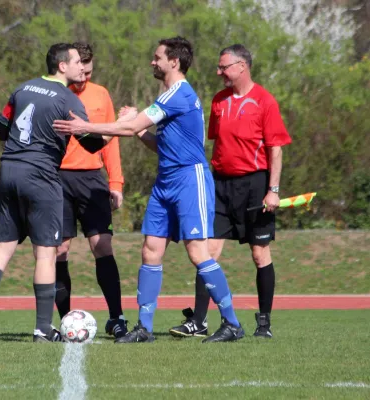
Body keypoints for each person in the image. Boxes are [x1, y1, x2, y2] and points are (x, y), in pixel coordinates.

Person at [53, 37, 244, 343]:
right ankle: (144, 327)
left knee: (197, 252)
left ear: (174, 62)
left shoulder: (179, 93)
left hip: (188, 180)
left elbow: (126, 128)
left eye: (157, 58)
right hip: (166, 180)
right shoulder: (168, 95)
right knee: (150, 250)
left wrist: (86, 128)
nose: (153, 62)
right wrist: (140, 129)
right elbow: (159, 144)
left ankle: (232, 323)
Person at [0, 43, 108, 343]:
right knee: (45, 253)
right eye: (76, 63)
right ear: (61, 66)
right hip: (41, 175)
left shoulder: (21, 89)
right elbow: (92, 144)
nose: (81, 68)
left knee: (4, 246)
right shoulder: (68, 99)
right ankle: (43, 328)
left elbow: (1, 127)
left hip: (9, 170)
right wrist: (116, 128)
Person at [170, 44, 292, 339]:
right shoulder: (218, 101)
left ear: (241, 66)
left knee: (259, 253)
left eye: (223, 66)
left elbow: (275, 149)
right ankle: (198, 322)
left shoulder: (265, 101)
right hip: (220, 185)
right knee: (206, 251)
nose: (219, 72)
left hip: (255, 186)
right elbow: (214, 143)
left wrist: (273, 190)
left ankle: (264, 324)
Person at [55, 42, 128, 339]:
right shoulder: (56, 94)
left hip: (92, 180)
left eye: (88, 66)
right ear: (67, 65)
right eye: (79, 65)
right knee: (59, 250)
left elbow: (112, 139)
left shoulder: (101, 94)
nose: (84, 72)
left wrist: (116, 182)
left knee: (102, 246)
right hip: (57, 179)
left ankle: (117, 317)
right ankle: (64, 321)